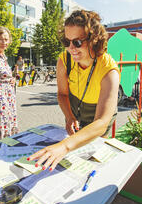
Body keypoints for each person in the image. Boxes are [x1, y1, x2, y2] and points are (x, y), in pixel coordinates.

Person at [28, 10, 120, 171]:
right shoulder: (64, 60)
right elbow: (62, 94)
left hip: (97, 114)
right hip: (75, 108)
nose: (71, 48)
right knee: (74, 160)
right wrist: (69, 117)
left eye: (77, 42)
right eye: (66, 41)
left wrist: (64, 147)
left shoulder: (109, 70)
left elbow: (101, 123)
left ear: (94, 40)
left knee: (96, 158)